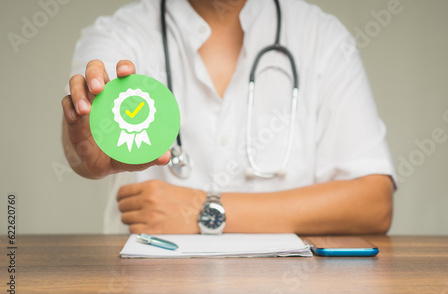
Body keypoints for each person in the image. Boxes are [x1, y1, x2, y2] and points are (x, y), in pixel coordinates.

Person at [61, 0, 396, 235]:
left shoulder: (323, 38)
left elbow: (373, 203)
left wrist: (202, 210)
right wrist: (85, 151)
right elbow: (86, 148)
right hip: (149, 291)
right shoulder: (118, 35)